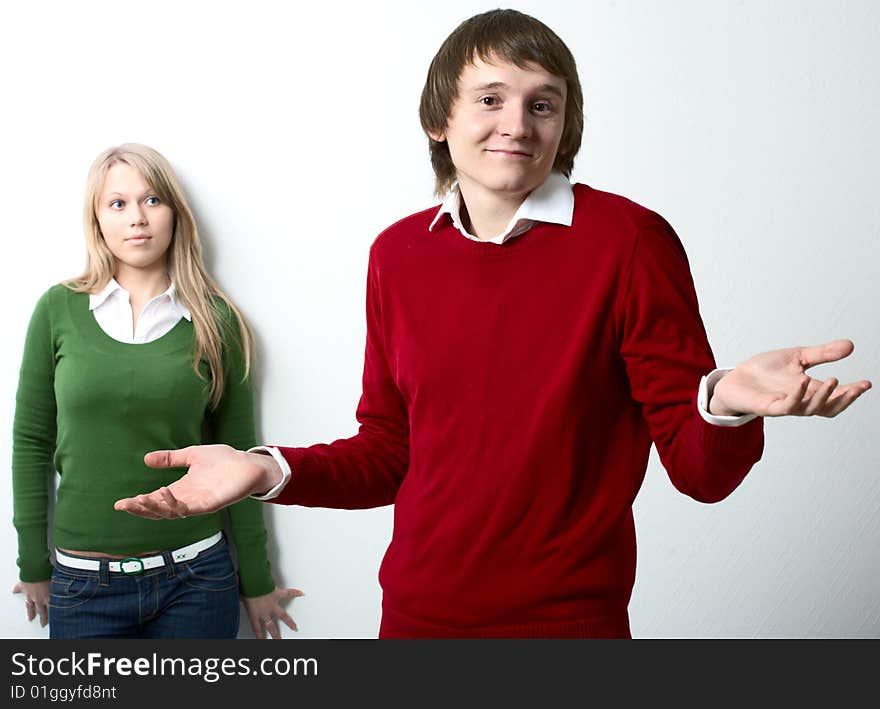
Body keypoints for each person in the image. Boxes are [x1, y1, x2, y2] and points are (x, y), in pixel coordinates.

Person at [115, 11, 871, 637]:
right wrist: (266, 468)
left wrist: (727, 401)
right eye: (490, 99)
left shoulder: (629, 243)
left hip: (568, 631)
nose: (518, 123)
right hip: (414, 622)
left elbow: (700, 473)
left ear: (564, 123)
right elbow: (390, 450)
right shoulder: (399, 254)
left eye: (543, 103)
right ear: (439, 118)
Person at [12, 143, 302, 639]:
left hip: (196, 581)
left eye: (152, 200)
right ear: (97, 219)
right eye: (117, 204)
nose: (137, 218)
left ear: (174, 213)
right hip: (83, 588)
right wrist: (32, 564)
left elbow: (240, 461)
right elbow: (30, 443)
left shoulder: (217, 321)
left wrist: (256, 579)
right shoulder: (56, 310)